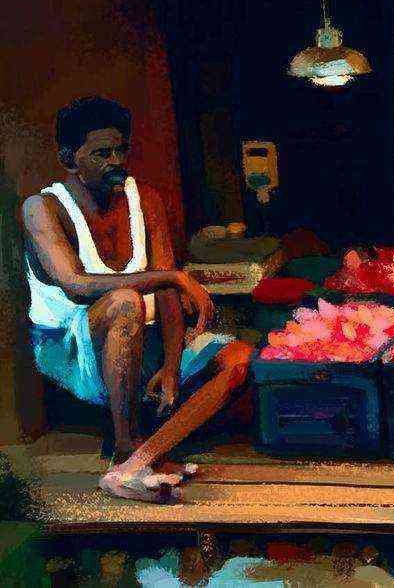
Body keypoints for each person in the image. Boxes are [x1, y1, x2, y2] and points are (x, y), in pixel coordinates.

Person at [24, 97, 254, 503]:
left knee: (239, 358)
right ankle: (125, 445)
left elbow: (166, 294)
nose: (116, 161)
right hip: (72, 351)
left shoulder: (145, 199)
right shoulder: (42, 208)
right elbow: (75, 285)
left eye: (121, 150)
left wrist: (171, 365)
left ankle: (140, 461)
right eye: (101, 153)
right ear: (69, 159)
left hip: (142, 342)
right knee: (125, 301)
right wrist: (174, 276)